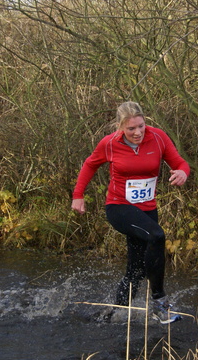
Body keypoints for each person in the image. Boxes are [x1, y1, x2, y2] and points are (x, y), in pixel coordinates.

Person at [71, 101, 189, 321]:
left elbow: (180, 163)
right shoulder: (109, 144)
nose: (138, 132)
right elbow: (90, 164)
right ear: (120, 127)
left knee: (135, 270)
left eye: (141, 126)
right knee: (157, 235)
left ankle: (114, 313)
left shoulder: (159, 138)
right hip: (119, 207)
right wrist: (78, 195)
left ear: (146, 122)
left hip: (147, 210)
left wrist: (183, 173)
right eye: (131, 128)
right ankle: (160, 303)